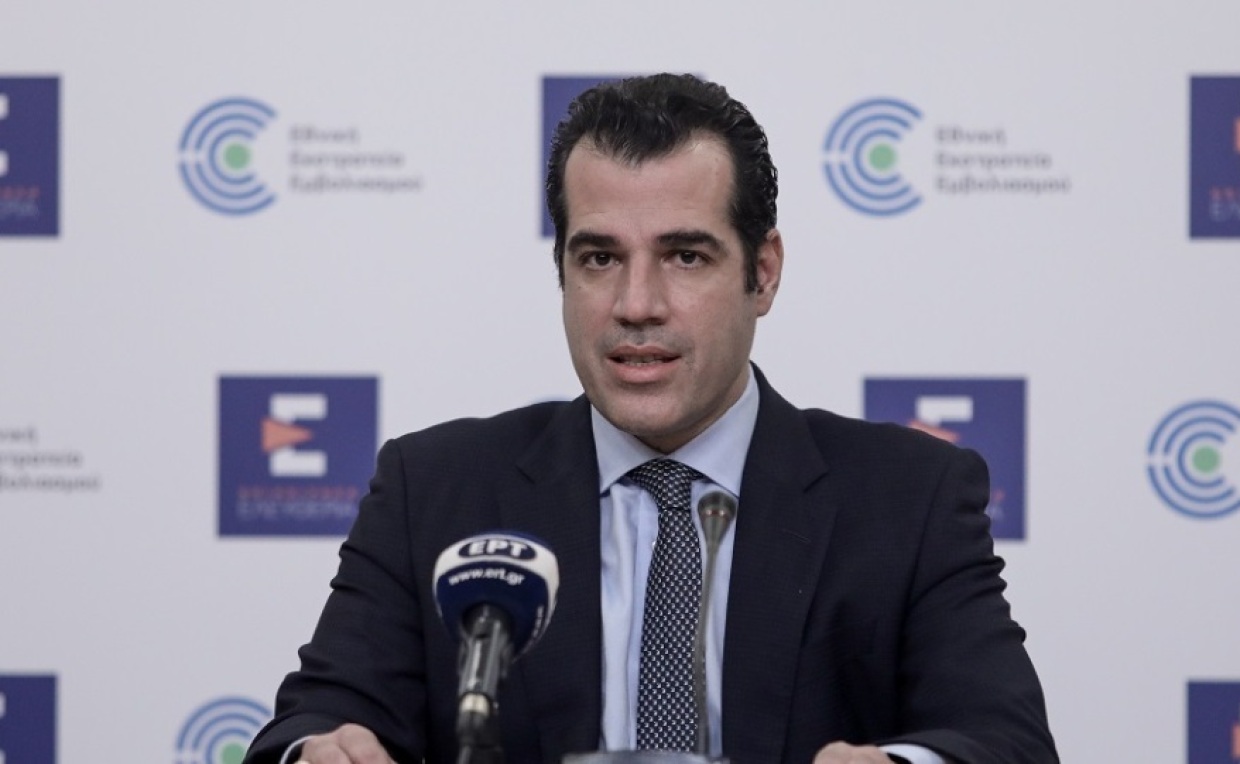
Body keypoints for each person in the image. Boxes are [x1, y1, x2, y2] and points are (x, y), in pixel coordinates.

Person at [244, 73, 1058, 764]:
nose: (637, 305)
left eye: (685, 256)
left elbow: (1005, 741)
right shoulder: (435, 491)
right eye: (600, 258)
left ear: (763, 272)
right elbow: (313, 723)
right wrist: (318, 754)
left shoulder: (908, 497)